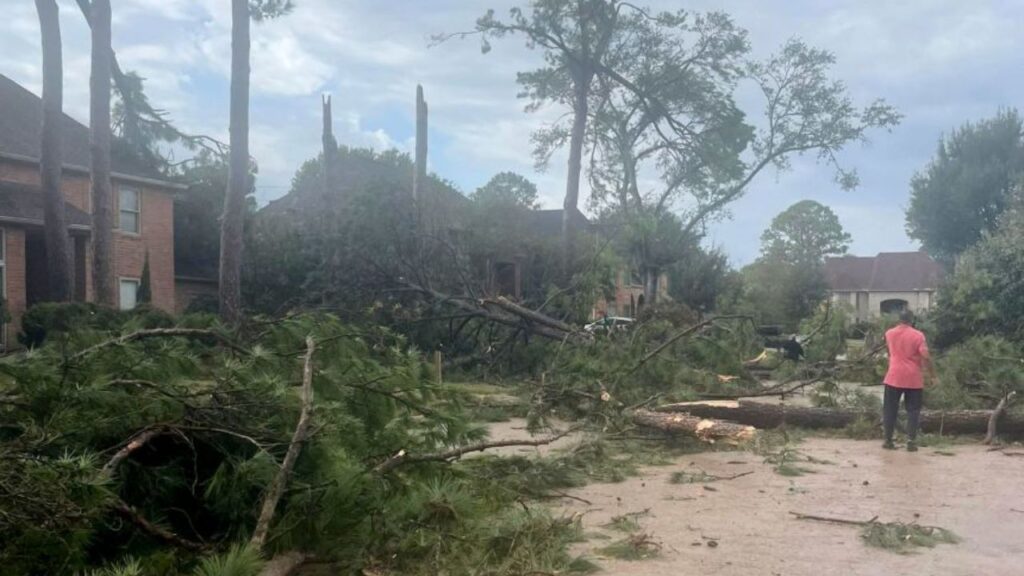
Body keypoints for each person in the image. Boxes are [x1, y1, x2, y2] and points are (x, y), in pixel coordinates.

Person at [882, 309, 934, 451]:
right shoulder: (918, 335)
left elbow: (890, 353)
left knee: (890, 409)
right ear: (912, 320)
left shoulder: (889, 333)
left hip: (893, 376)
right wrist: (932, 375)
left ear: (899, 319)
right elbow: (925, 355)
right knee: (913, 410)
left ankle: (888, 440)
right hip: (913, 378)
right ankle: (911, 441)